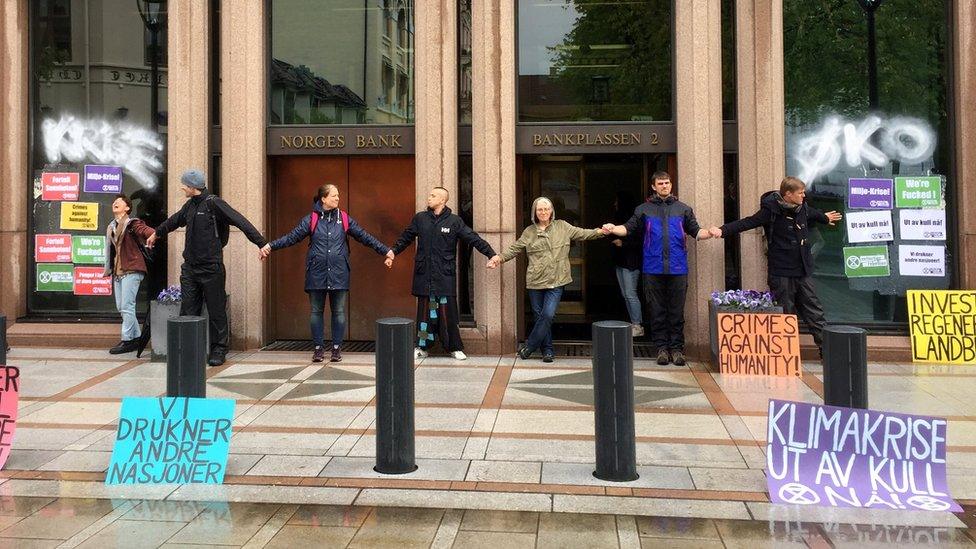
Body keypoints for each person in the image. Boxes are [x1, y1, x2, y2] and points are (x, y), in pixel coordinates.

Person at [259, 184, 393, 363]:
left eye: (338, 196)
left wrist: (385, 250)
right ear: (323, 199)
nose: (338, 198)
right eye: (334, 196)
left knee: (338, 311)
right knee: (316, 311)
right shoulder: (311, 219)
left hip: (339, 272)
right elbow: (292, 237)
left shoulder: (344, 219)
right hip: (316, 272)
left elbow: (364, 236)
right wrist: (270, 245)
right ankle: (318, 349)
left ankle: (336, 349)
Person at [708, 176, 842, 355]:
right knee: (784, 314)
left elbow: (814, 213)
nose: (804, 196)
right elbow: (747, 222)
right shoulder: (770, 211)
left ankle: (828, 352)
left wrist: (825, 218)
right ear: (788, 194)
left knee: (814, 311)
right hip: (781, 272)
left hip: (802, 270)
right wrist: (722, 230)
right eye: (800, 193)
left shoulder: (803, 208)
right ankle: (785, 355)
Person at [147, 169, 267, 366]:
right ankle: (186, 350)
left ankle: (219, 349)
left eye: (184, 185)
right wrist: (156, 234)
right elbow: (173, 221)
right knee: (188, 310)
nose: (182, 187)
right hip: (190, 269)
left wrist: (261, 243)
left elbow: (240, 221)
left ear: (193, 187)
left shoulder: (214, 203)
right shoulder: (190, 206)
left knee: (216, 310)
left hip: (211, 268)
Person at [603, 171, 714, 366]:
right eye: (661, 183)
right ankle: (662, 349)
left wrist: (711, 232)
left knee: (676, 311)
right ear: (653, 186)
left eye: (667, 183)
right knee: (657, 311)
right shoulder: (643, 210)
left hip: (677, 268)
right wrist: (613, 228)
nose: (665, 186)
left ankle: (677, 350)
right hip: (652, 268)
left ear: (671, 185)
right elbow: (627, 229)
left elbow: (696, 231)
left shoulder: (683, 209)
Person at [488, 197, 607, 362]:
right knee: (539, 317)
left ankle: (529, 346)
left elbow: (583, 233)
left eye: (546, 209)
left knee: (548, 315)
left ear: (552, 211)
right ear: (535, 213)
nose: (543, 212)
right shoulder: (529, 231)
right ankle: (548, 351)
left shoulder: (562, 226)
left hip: (557, 280)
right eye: (539, 210)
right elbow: (514, 249)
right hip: (535, 281)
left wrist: (601, 231)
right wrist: (498, 258)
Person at [389, 187, 497, 360]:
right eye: (430, 194)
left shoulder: (454, 222)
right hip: (425, 277)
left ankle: (454, 347)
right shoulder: (420, 219)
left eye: (433, 195)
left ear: (442, 200)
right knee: (424, 314)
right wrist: (393, 252)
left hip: (444, 277)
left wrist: (491, 254)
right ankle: (422, 346)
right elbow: (406, 237)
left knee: (448, 314)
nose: (429, 198)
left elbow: (473, 238)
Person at [103, 193, 155, 354]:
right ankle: (136, 337)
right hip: (118, 272)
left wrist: (152, 235)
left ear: (127, 208)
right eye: (114, 202)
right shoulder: (111, 226)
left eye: (118, 202)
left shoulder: (133, 223)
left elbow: (146, 230)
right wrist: (108, 269)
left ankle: (128, 339)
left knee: (127, 305)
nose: (115, 203)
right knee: (122, 306)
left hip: (132, 269)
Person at [610, 191, 644, 337]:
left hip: (631, 262)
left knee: (630, 293)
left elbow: (640, 242)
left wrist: (622, 243)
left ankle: (638, 325)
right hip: (621, 261)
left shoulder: (635, 221)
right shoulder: (620, 218)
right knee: (626, 294)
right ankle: (633, 323)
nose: (615, 204)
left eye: (617, 201)